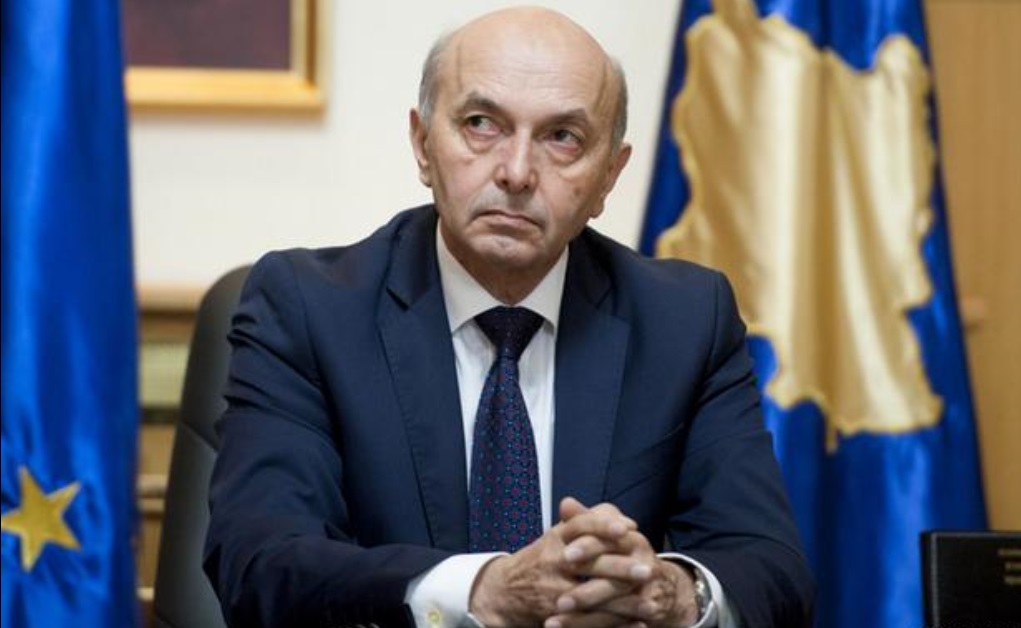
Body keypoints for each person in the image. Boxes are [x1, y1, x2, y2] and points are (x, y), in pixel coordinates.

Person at [203, 7, 814, 628]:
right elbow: (259, 562)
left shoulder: (684, 321)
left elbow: (771, 569)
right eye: (481, 124)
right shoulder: (308, 309)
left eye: (563, 137)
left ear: (609, 175)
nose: (517, 173)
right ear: (422, 144)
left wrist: (670, 593)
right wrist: (482, 590)